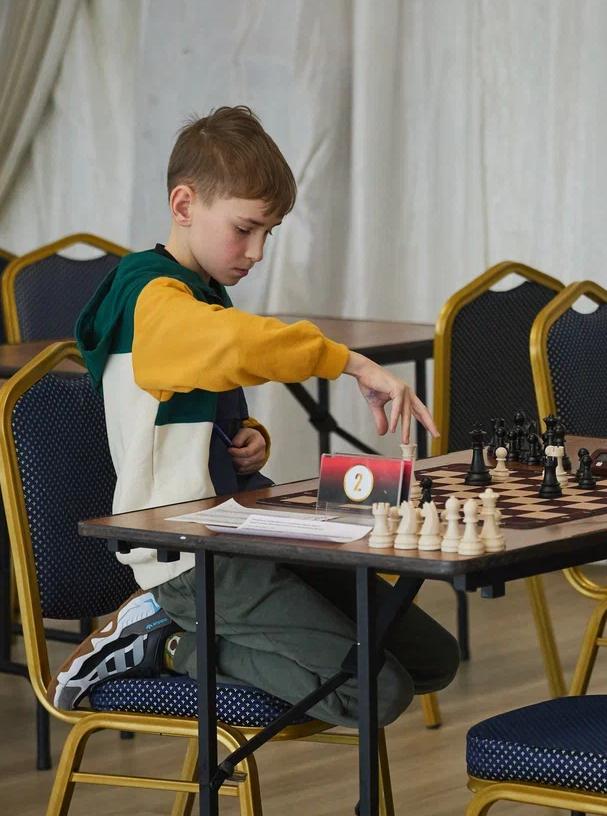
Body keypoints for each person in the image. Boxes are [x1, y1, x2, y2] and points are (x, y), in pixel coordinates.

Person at [48, 106, 460, 729]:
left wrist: (249, 439)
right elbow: (238, 344)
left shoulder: (199, 292)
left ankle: (188, 633)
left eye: (269, 233)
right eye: (245, 229)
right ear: (184, 205)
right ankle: (166, 642)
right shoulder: (149, 295)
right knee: (375, 691)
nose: (258, 252)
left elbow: (189, 407)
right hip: (188, 552)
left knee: (432, 658)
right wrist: (350, 363)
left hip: (241, 521)